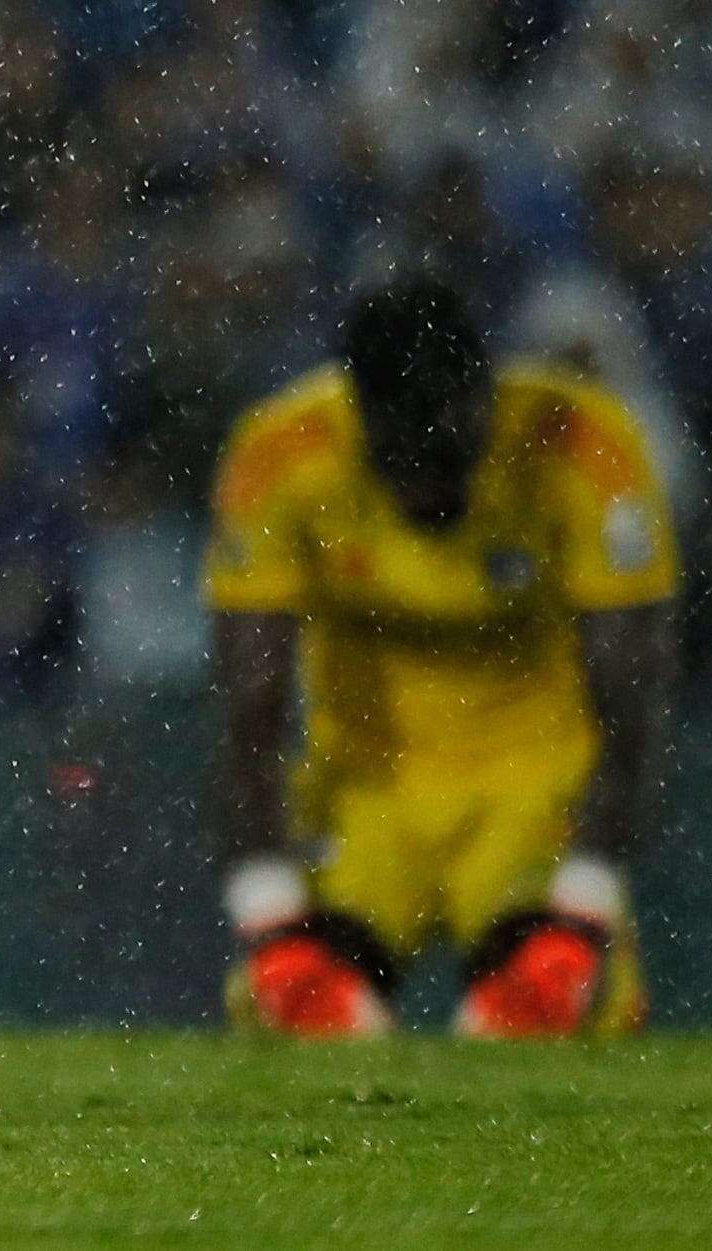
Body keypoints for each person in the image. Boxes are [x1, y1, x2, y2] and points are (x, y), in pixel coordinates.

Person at [207, 274, 679, 1038]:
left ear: (487, 397)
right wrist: (268, 919)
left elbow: (633, 699)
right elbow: (248, 704)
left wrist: (584, 907)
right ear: (363, 419)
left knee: (543, 1018)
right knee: (297, 1022)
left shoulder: (582, 443)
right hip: (367, 787)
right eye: (408, 461)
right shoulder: (281, 455)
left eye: (451, 455)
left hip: (532, 783)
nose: (434, 488)